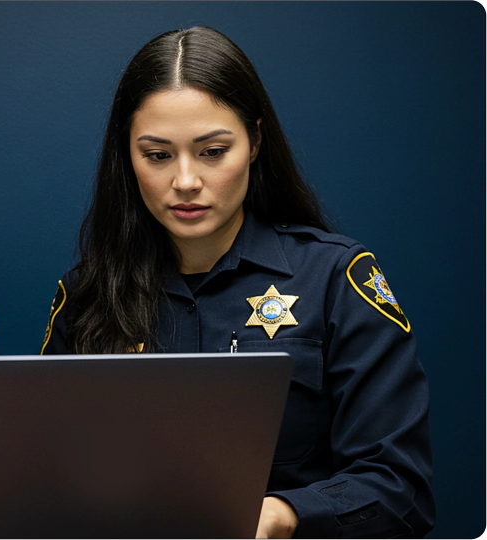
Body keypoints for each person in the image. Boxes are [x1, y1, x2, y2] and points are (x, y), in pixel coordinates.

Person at [41, 26, 434, 539]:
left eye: (212, 151)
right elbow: (46, 482)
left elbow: (402, 488)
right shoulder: (87, 296)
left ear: (254, 141)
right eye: (158, 155)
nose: (185, 181)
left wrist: (282, 514)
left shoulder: (337, 279)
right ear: (128, 156)